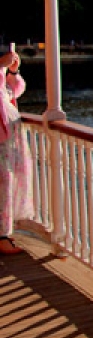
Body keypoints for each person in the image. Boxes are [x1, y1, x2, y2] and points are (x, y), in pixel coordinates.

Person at [0, 49, 32, 255]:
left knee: (8, 181)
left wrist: (12, 71)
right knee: (4, 182)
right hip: (3, 139)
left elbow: (15, 90)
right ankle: (2, 236)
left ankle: (5, 231)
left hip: (9, 138)